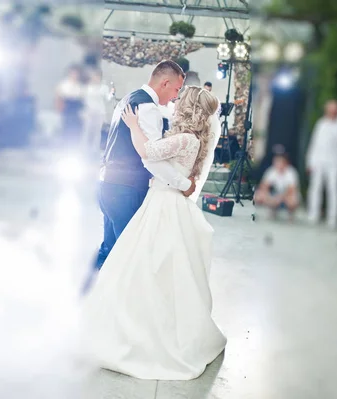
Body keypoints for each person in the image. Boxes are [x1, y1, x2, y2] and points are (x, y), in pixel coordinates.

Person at [83, 86, 226, 380]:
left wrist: (134, 126)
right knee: (157, 265)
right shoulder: (191, 138)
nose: (174, 103)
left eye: (179, 100)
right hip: (166, 200)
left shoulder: (184, 138)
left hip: (164, 204)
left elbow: (147, 152)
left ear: (189, 109)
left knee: (151, 265)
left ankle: (149, 330)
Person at [94, 60, 194, 270]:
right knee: (128, 257)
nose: (175, 96)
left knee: (111, 253)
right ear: (165, 83)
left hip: (107, 184)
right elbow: (151, 158)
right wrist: (183, 184)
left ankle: (100, 298)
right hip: (126, 189)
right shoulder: (148, 107)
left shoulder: (128, 100)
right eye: (176, 89)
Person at [306, 100, 337, 228]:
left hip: (334, 161)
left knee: (333, 189)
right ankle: (313, 214)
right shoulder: (321, 122)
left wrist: (333, 121)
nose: (331, 112)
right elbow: (315, 142)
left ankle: (333, 218)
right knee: (315, 188)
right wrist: (310, 161)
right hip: (319, 160)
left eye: (333, 109)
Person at [254, 152, 300, 221]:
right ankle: (272, 210)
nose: (276, 163)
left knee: (293, 200)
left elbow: (291, 189)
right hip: (274, 195)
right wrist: (269, 197)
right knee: (258, 195)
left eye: (278, 162)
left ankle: (291, 214)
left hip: (286, 195)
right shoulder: (272, 170)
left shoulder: (291, 172)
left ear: (285, 163)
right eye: (275, 161)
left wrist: (280, 198)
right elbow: (263, 185)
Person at [83, 69, 113, 153]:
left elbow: (108, 99)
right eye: (94, 76)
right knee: (88, 130)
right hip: (89, 113)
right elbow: (84, 99)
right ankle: (86, 149)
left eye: (97, 76)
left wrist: (111, 93)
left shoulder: (104, 87)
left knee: (98, 131)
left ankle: (96, 149)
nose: (95, 78)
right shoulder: (87, 87)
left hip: (100, 112)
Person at [55, 65, 84, 145]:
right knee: (66, 128)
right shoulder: (64, 84)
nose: (74, 75)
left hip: (76, 110)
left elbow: (81, 99)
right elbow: (59, 97)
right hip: (67, 109)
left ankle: (73, 146)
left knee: (75, 129)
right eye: (73, 73)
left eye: (76, 73)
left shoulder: (79, 86)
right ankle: (64, 145)